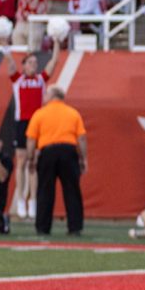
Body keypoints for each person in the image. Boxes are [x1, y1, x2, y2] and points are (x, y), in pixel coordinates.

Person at [4, 40, 59, 220]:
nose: (34, 65)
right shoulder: (18, 80)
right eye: (30, 63)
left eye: (36, 63)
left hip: (37, 124)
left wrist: (57, 41)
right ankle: (20, 199)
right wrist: (4, 44)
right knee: (21, 161)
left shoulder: (41, 80)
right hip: (22, 123)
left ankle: (33, 201)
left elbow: (54, 62)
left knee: (33, 163)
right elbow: (10, 63)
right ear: (25, 65)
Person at [26, 85, 87, 235]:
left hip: (48, 152)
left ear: (52, 95)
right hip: (68, 151)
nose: (44, 97)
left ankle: (42, 227)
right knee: (72, 190)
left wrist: (31, 158)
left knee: (45, 191)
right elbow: (82, 137)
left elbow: (31, 139)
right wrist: (83, 158)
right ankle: (75, 227)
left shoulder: (40, 114)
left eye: (46, 94)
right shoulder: (73, 113)